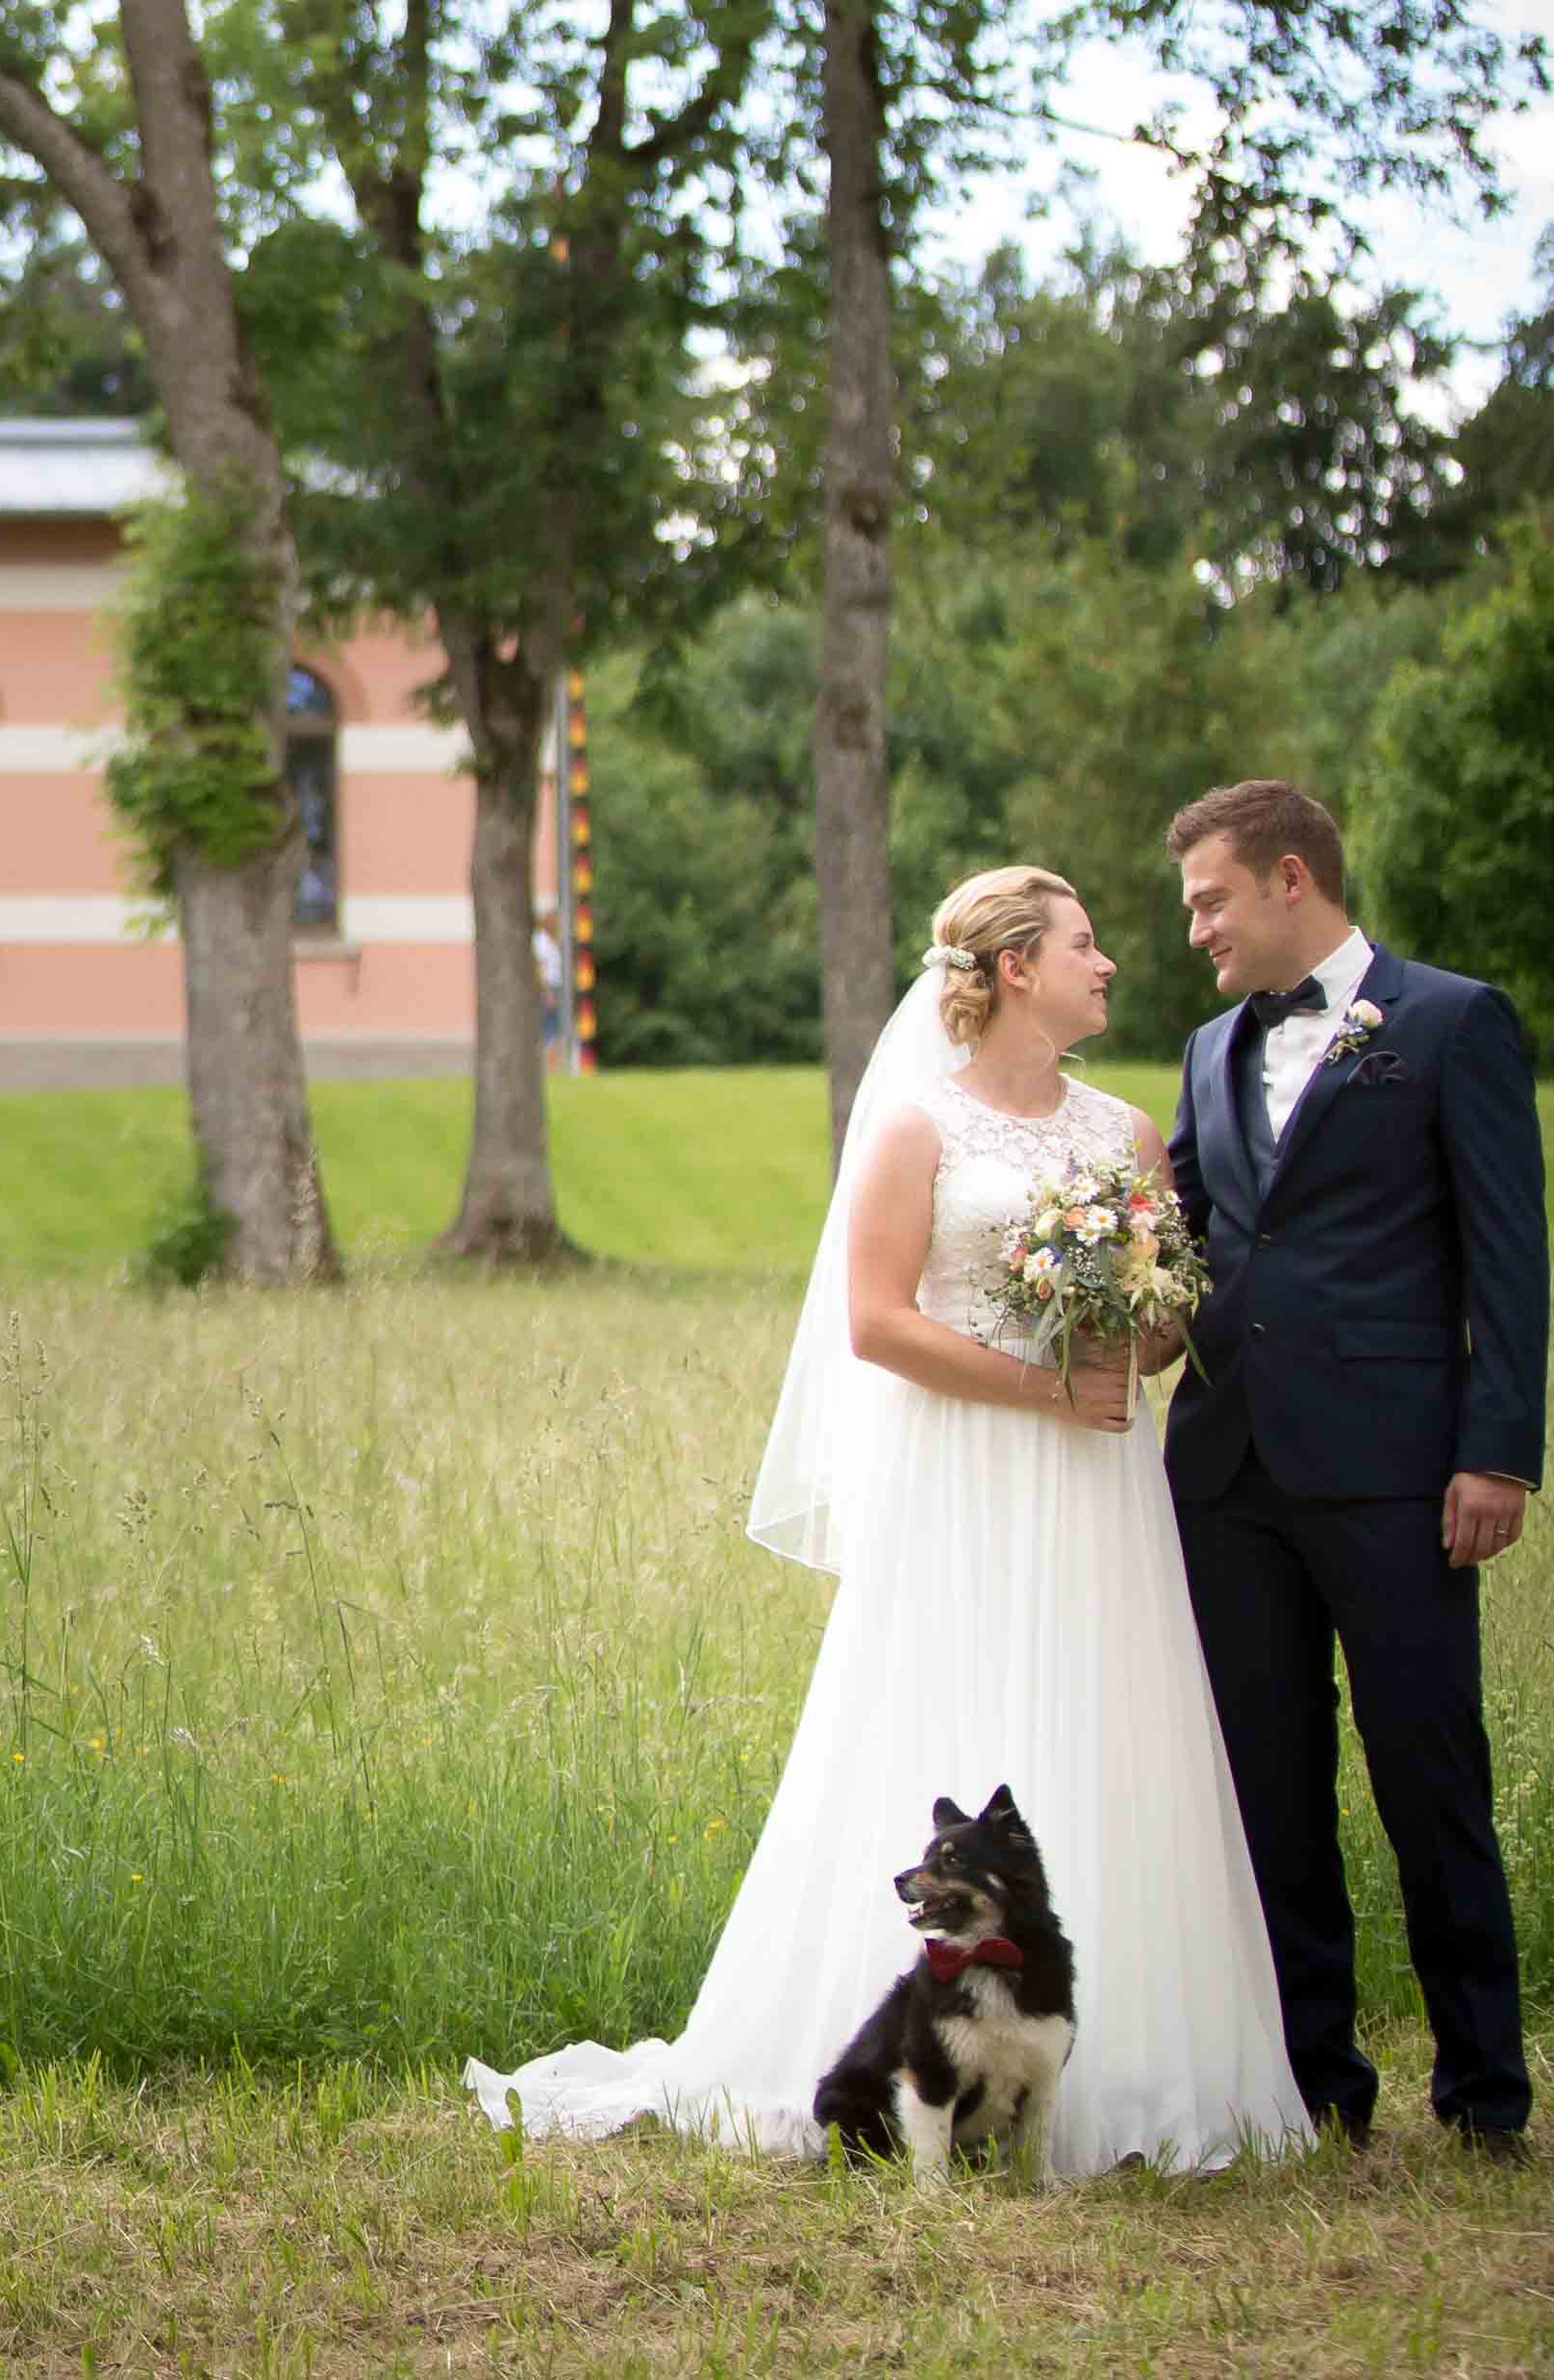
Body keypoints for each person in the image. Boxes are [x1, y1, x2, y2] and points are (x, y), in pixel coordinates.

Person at [467, 864, 1311, 2174]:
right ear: (1017, 965)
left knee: (1108, 1716)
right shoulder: (918, 1129)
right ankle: (920, 2062)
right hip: (963, 1472)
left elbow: (1159, 1330)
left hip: (1096, 1487)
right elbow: (876, 1323)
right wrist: (1042, 1382)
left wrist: (1126, 1334)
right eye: (1086, 945)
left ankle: (1120, 2061)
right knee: (945, 1702)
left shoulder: (1129, 1134)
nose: (1111, 965)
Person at [1161, 780, 1547, 2157]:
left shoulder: (1449, 1022)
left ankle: (1484, 2091)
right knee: (1268, 1783)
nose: (1196, 928)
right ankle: (1318, 2082)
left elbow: (1508, 1258)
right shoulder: (1208, 1049)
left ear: (1285, 880)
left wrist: (1496, 1450)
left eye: (1209, 899)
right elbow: (1184, 1239)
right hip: (1225, 1476)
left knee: (1428, 1773)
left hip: (1398, 1473)